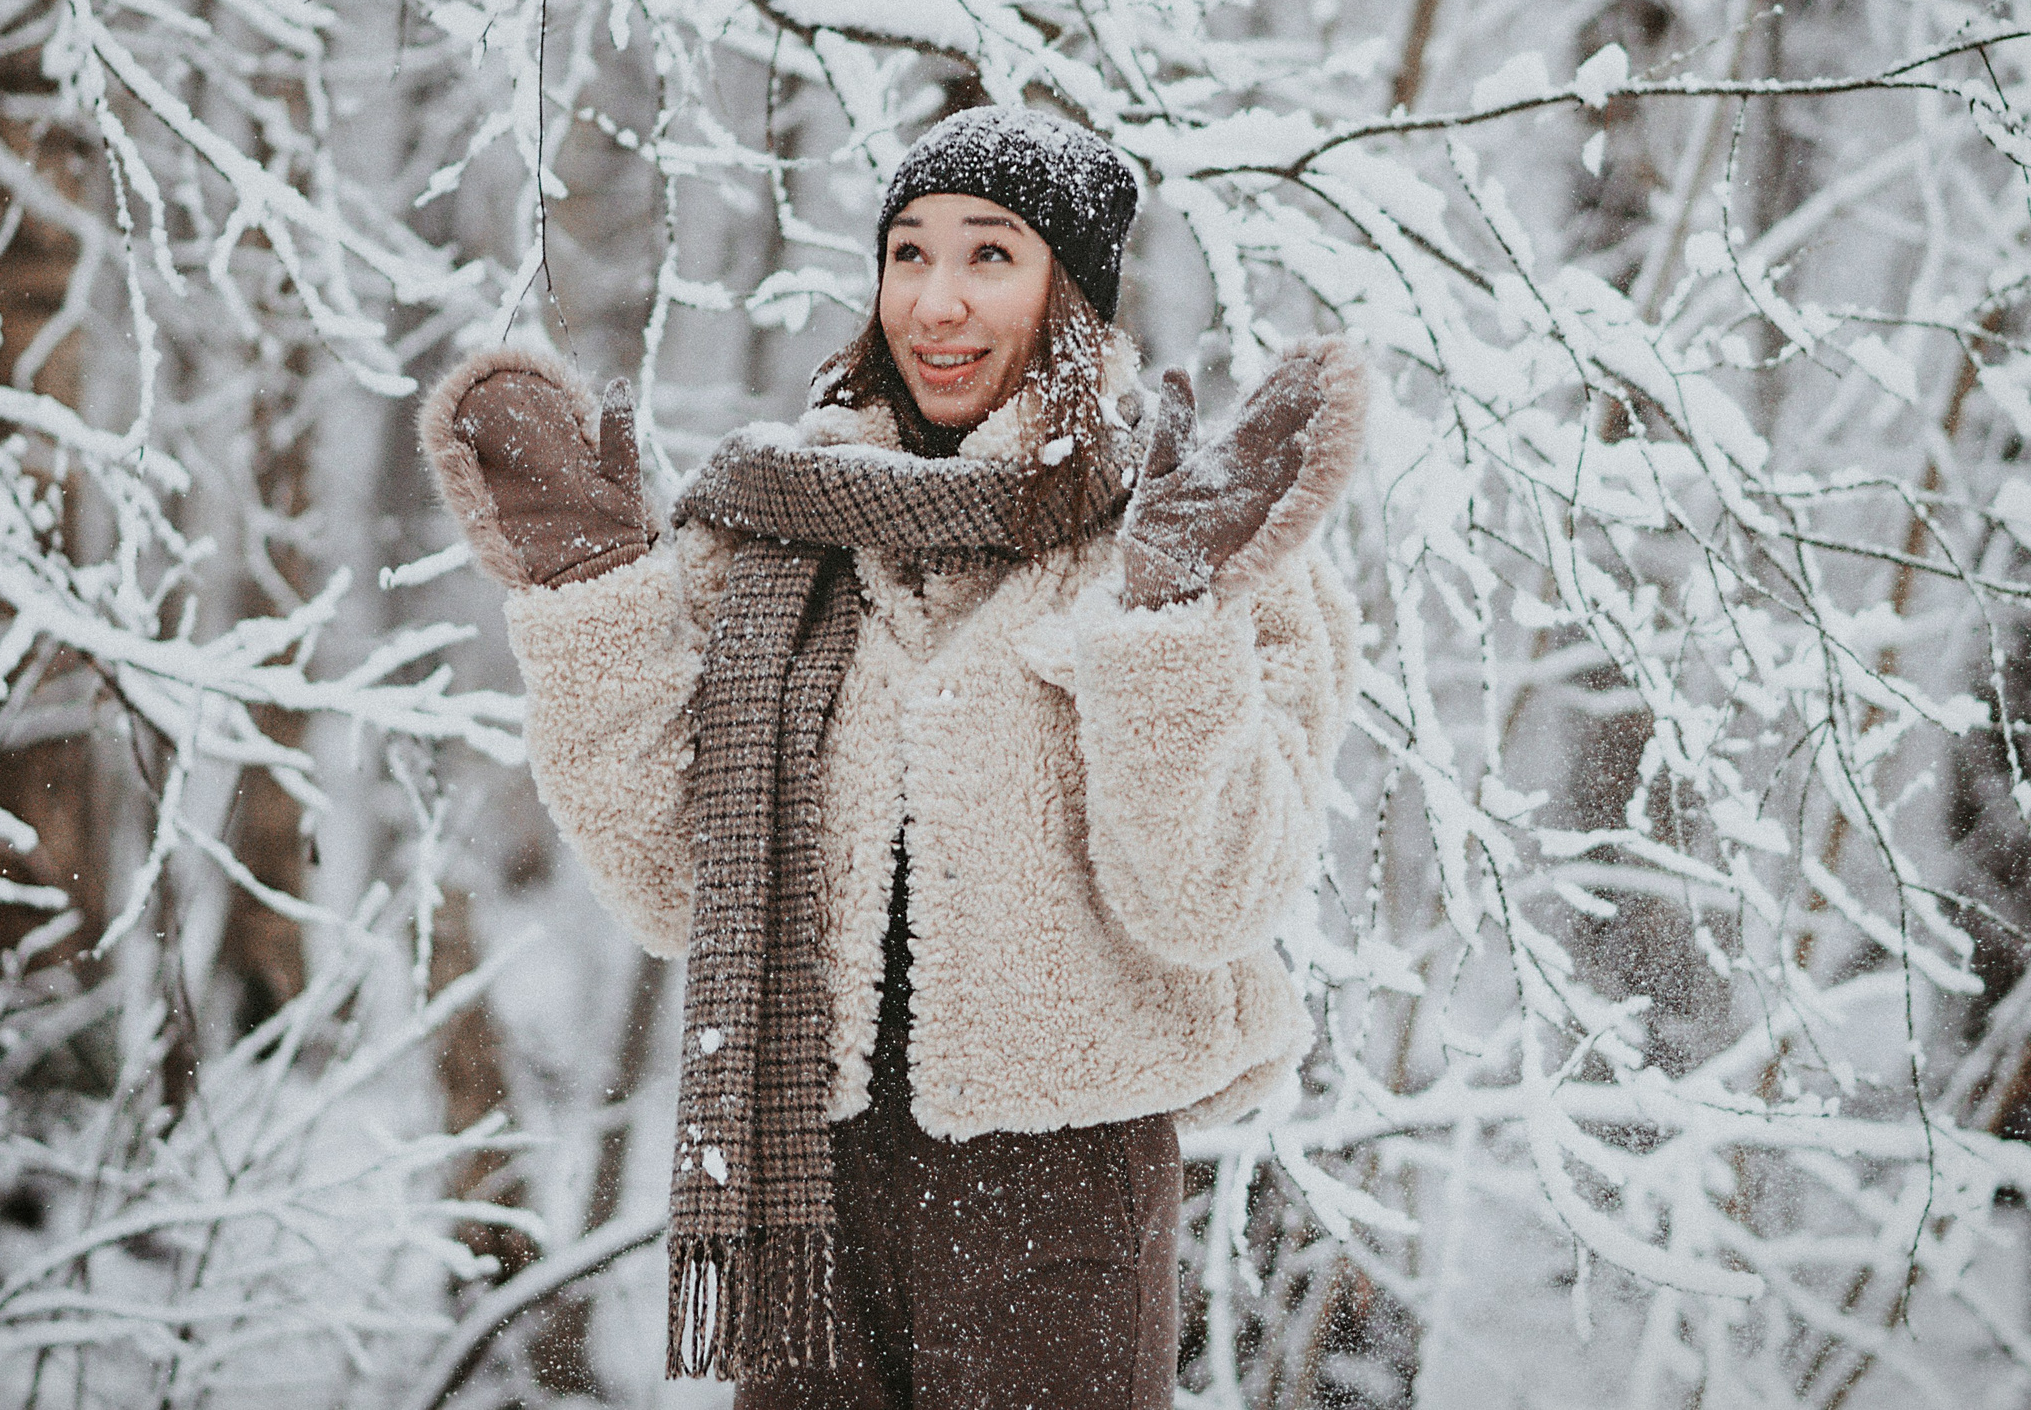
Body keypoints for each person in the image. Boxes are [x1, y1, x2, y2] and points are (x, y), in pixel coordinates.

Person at [420, 106, 1366, 1409]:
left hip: (1062, 1167)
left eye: (991, 256)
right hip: (810, 1167)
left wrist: (1168, 623)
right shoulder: (778, 531)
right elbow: (670, 883)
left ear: (1072, 293)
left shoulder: (1190, 530)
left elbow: (1207, 899)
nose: (938, 298)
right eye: (908, 254)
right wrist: (599, 603)